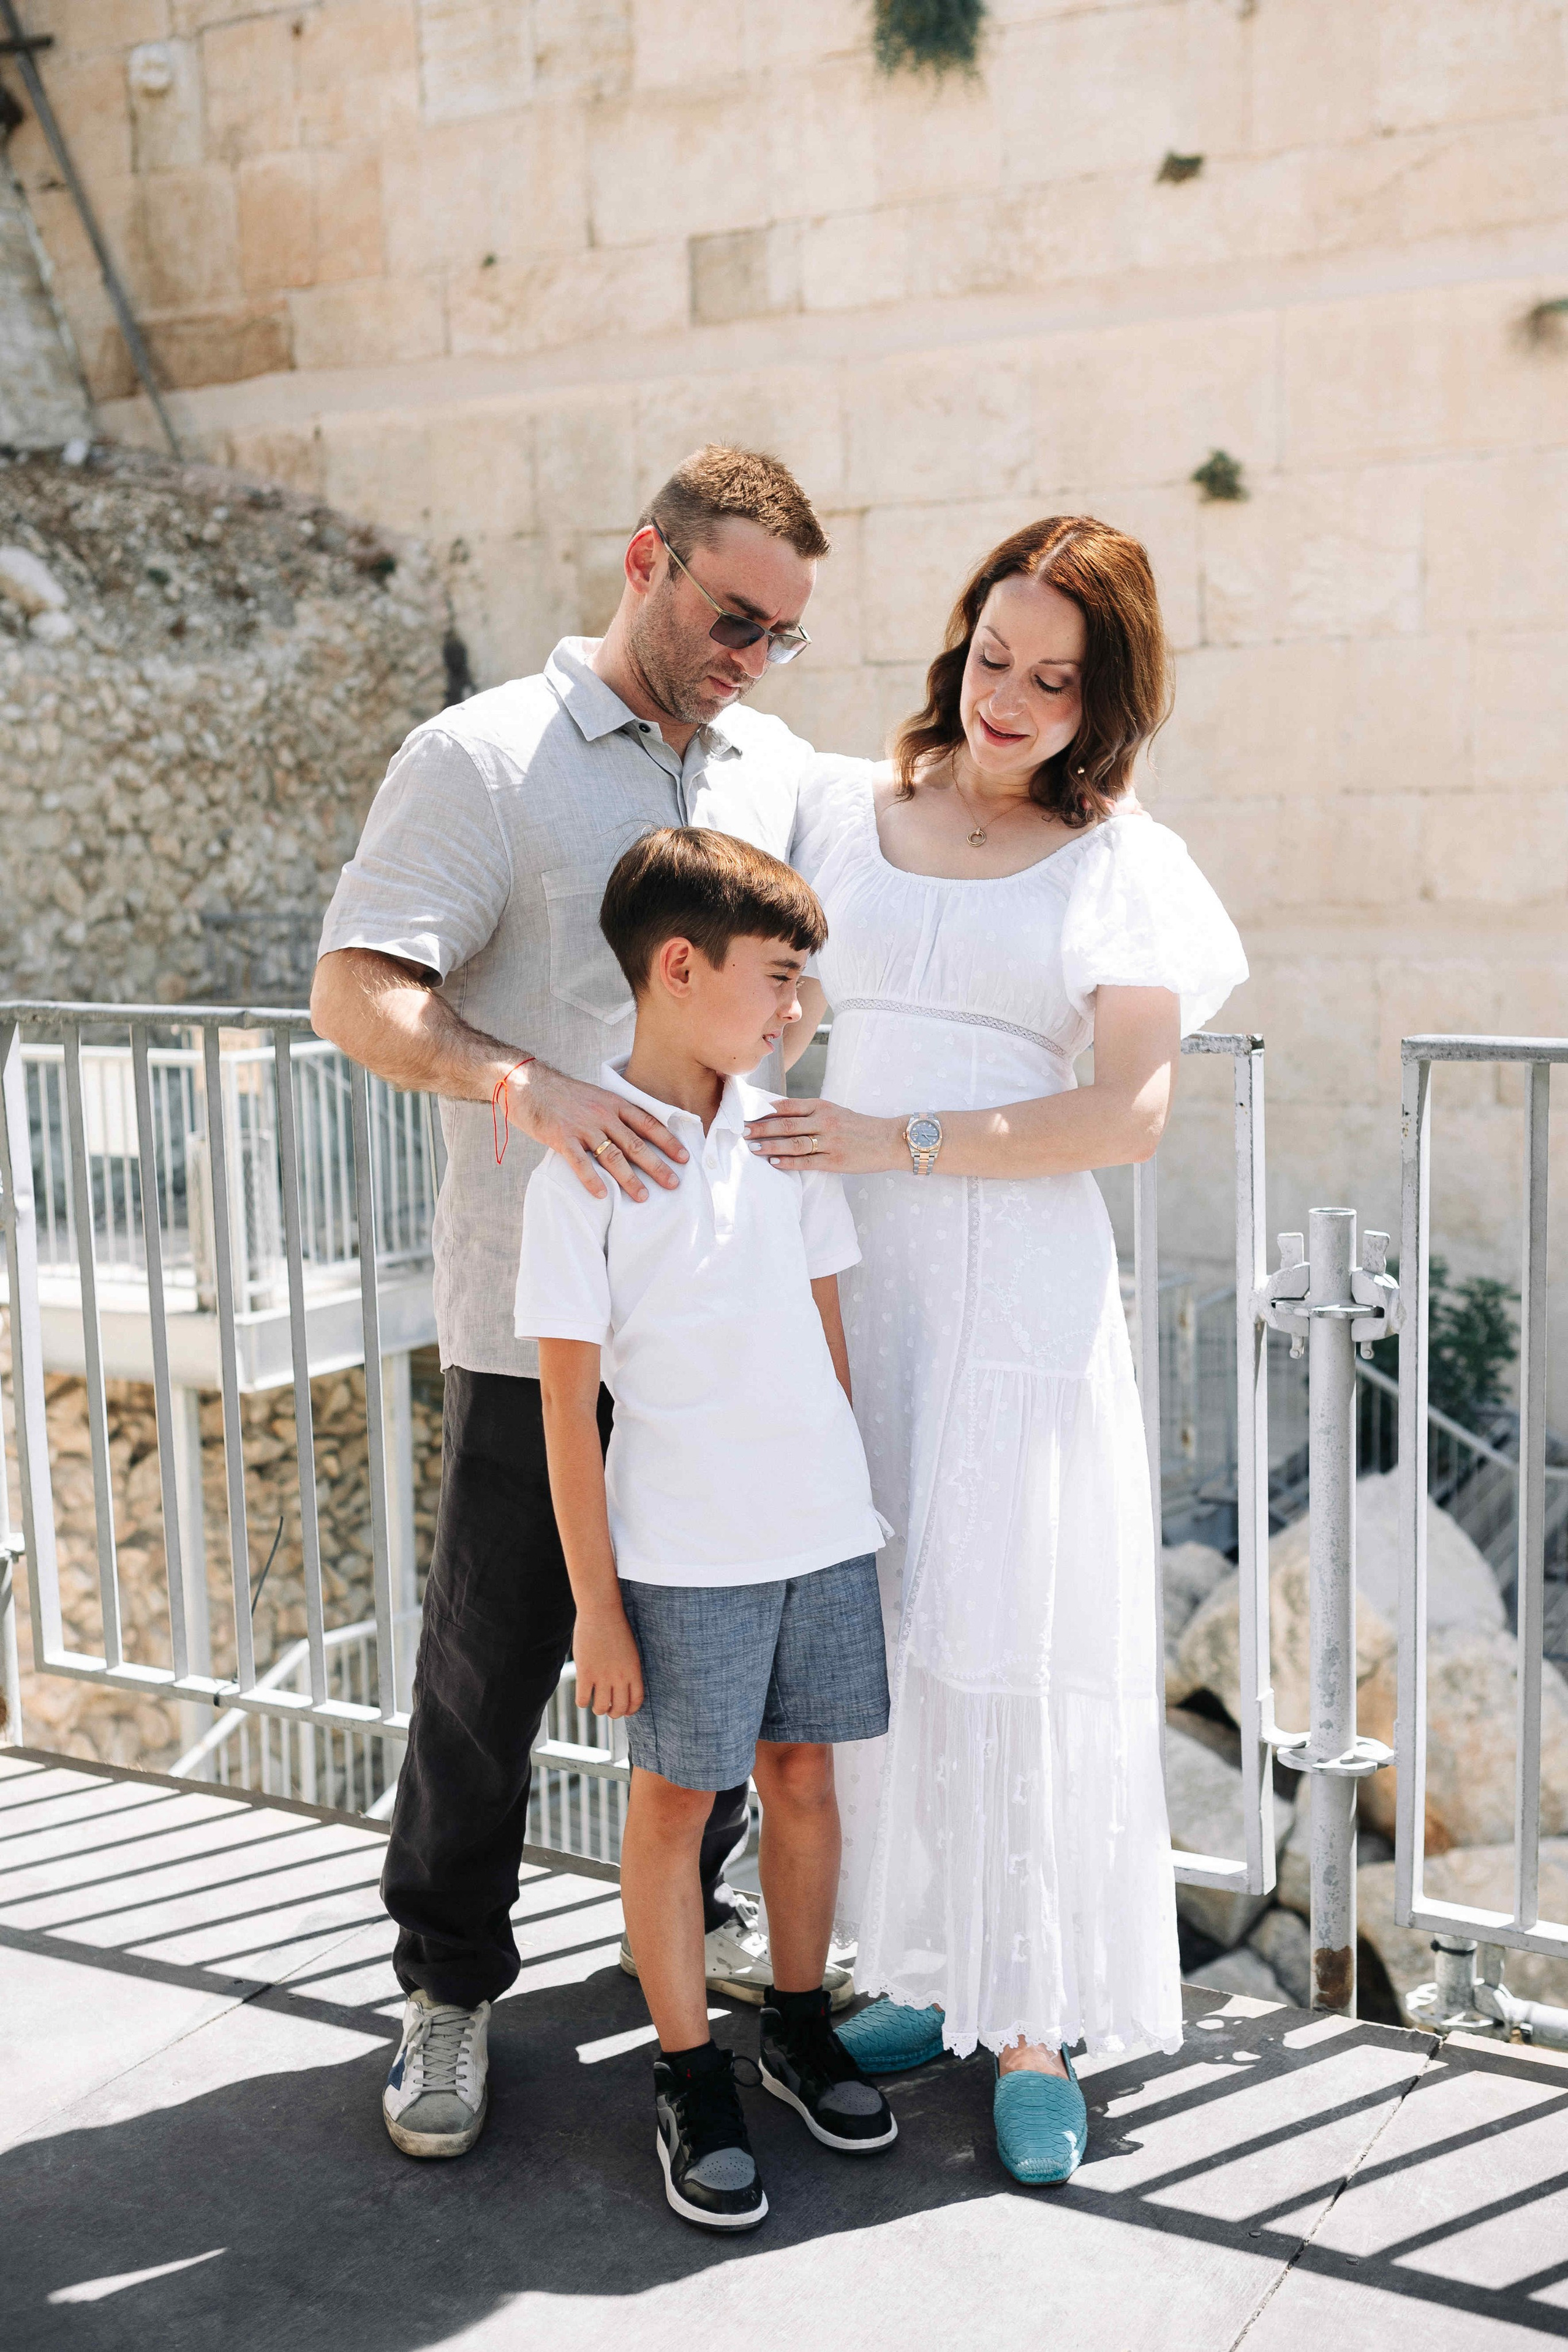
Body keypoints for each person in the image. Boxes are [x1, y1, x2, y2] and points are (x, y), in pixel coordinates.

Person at [312, 447, 854, 2165]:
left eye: (780, 635)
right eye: (728, 615)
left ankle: (679, 1974)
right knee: (489, 1679)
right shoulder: (478, 757)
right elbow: (356, 988)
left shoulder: (772, 765)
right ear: (647, 559)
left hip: (719, 1351)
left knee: (700, 1689)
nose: (750, 658)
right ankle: (448, 1993)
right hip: (526, 1322)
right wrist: (521, 1087)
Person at [745, 516, 1248, 2186]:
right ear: (960, 639)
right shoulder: (842, 809)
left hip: (1013, 1286)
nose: (1013, 697)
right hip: (846, 1279)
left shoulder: (1123, 864)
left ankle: (1034, 2017)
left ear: (1100, 703)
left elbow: (1129, 1112)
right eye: (995, 656)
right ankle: (930, 1972)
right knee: (875, 1630)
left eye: (1055, 679)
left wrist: (899, 1140)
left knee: (1013, 1632)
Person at [517, 828, 896, 2230]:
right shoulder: (583, 1178)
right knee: (675, 1806)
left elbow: (826, 1344)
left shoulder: (789, 1140)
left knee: (803, 1777)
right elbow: (566, 1418)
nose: (798, 1007)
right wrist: (596, 1608)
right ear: (680, 969)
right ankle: (687, 2071)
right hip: (680, 1557)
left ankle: (794, 2026)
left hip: (818, 1532)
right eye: (780, 977)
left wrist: (849, 1511)